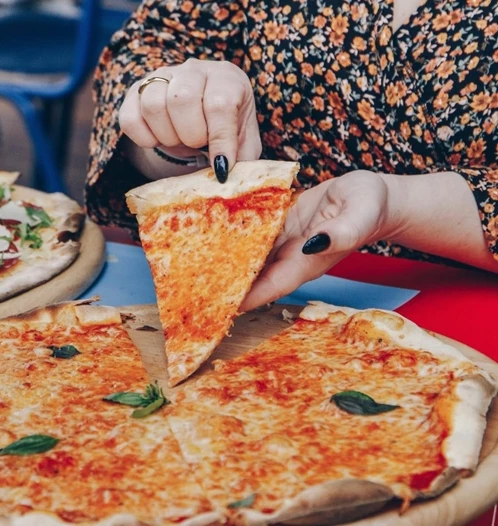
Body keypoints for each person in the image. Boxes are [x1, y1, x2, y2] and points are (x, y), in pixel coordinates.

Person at [85, 0, 498, 310]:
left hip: (469, 300)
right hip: (249, 284)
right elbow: (148, 47)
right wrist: (173, 132)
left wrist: (399, 206)